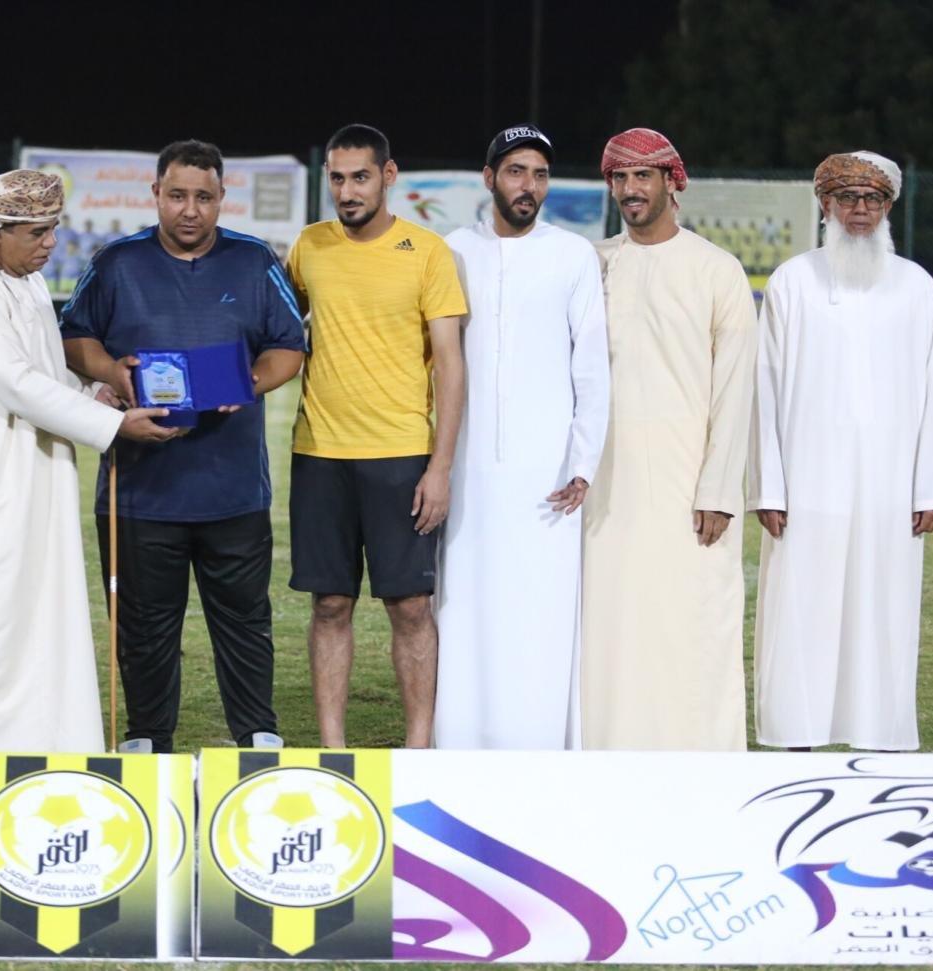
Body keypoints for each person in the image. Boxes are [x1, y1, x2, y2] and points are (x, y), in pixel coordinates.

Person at [61, 139, 305, 754]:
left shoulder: (253, 261)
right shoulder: (117, 262)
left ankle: (258, 739)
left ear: (222, 198)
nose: (190, 210)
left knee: (245, 622)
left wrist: (249, 384)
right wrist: (112, 371)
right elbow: (74, 337)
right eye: (177, 196)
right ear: (156, 195)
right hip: (139, 490)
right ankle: (147, 740)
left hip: (232, 488)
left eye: (203, 197)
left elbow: (288, 346)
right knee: (143, 627)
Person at [0, 170, 177, 752]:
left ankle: (40, 748)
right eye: (37, 232)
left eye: (53, 229)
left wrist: (95, 393)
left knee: (39, 618)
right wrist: (113, 426)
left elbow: (45, 373)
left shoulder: (28, 283)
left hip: (40, 472)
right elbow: (17, 385)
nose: (51, 244)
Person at [749, 151, 933, 752]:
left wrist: (931, 488)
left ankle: (880, 738)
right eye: (847, 198)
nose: (860, 210)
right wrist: (768, 488)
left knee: (882, 610)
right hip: (806, 484)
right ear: (825, 204)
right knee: (801, 610)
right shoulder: (793, 280)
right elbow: (765, 388)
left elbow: (932, 391)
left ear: (889, 206)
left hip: (889, 490)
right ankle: (795, 737)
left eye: (873, 199)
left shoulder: (915, 285)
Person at [286, 123, 467, 748]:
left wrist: (439, 468)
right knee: (329, 604)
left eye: (360, 177)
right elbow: (274, 329)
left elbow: (450, 364)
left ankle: (418, 748)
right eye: (337, 178)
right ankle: (333, 750)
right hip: (319, 455)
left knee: (411, 607)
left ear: (388, 176)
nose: (347, 191)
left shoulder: (428, 252)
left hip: (401, 456)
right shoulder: (309, 246)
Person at [434, 125, 609, 750]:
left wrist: (582, 462)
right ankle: (461, 740)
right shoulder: (452, 251)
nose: (528, 186)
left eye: (539, 174)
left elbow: (592, 368)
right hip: (467, 467)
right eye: (515, 172)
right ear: (489, 179)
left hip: (547, 473)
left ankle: (539, 742)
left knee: (541, 609)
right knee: (465, 606)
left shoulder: (572, 255)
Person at [581, 128, 757, 751]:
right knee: (610, 627)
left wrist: (719, 490)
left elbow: (736, 391)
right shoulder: (593, 264)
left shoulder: (716, 270)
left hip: (690, 486)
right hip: (604, 484)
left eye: (642, 176)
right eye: (620, 178)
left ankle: (698, 763)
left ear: (671, 182)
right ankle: (604, 758)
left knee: (690, 624)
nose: (630, 189)